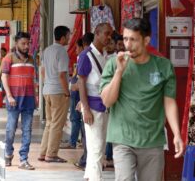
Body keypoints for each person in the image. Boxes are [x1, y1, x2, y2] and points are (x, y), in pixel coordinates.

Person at [100, 18, 184, 181]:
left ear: (146, 40)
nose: (128, 45)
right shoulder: (113, 64)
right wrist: (119, 72)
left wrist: (176, 134)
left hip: (152, 139)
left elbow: (169, 101)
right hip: (123, 138)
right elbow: (107, 101)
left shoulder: (163, 66)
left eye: (133, 39)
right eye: (125, 39)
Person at [77, 23, 112, 181]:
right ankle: (96, 177)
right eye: (106, 33)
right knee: (96, 147)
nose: (108, 37)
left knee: (97, 146)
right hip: (93, 106)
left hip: (103, 106)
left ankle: (89, 176)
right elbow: (81, 82)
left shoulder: (103, 54)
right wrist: (86, 108)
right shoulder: (86, 55)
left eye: (110, 34)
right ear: (97, 34)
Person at [2, 32, 36, 170]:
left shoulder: (32, 60)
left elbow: (33, 79)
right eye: (23, 43)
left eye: (28, 43)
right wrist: (9, 96)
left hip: (29, 100)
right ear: (16, 43)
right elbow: (4, 77)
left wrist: (36, 97)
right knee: (11, 129)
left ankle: (23, 159)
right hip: (14, 100)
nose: (27, 46)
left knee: (27, 130)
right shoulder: (8, 58)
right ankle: (8, 153)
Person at [38, 26, 71, 163]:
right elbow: (62, 75)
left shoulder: (47, 50)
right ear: (62, 37)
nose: (69, 38)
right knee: (57, 124)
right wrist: (67, 92)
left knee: (50, 123)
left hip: (47, 90)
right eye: (68, 36)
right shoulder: (62, 52)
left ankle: (43, 152)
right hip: (58, 91)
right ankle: (51, 154)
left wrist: (48, 84)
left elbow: (43, 71)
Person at [74, 32, 94, 171]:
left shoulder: (84, 55)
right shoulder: (97, 55)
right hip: (94, 102)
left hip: (90, 103)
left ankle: (86, 161)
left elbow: (81, 81)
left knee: (87, 133)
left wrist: (83, 104)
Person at [61, 39, 84, 150]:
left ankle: (73, 142)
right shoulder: (80, 59)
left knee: (75, 118)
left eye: (77, 47)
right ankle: (77, 141)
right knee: (77, 118)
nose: (75, 50)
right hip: (76, 91)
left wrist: (71, 87)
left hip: (77, 92)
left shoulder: (83, 59)